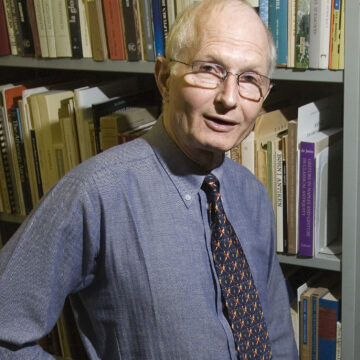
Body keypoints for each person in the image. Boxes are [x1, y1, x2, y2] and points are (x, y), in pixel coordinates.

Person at [0, 0, 298, 359]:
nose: (229, 99)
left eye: (249, 78)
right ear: (163, 78)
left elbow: (277, 335)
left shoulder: (252, 193)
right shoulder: (95, 194)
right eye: (209, 69)